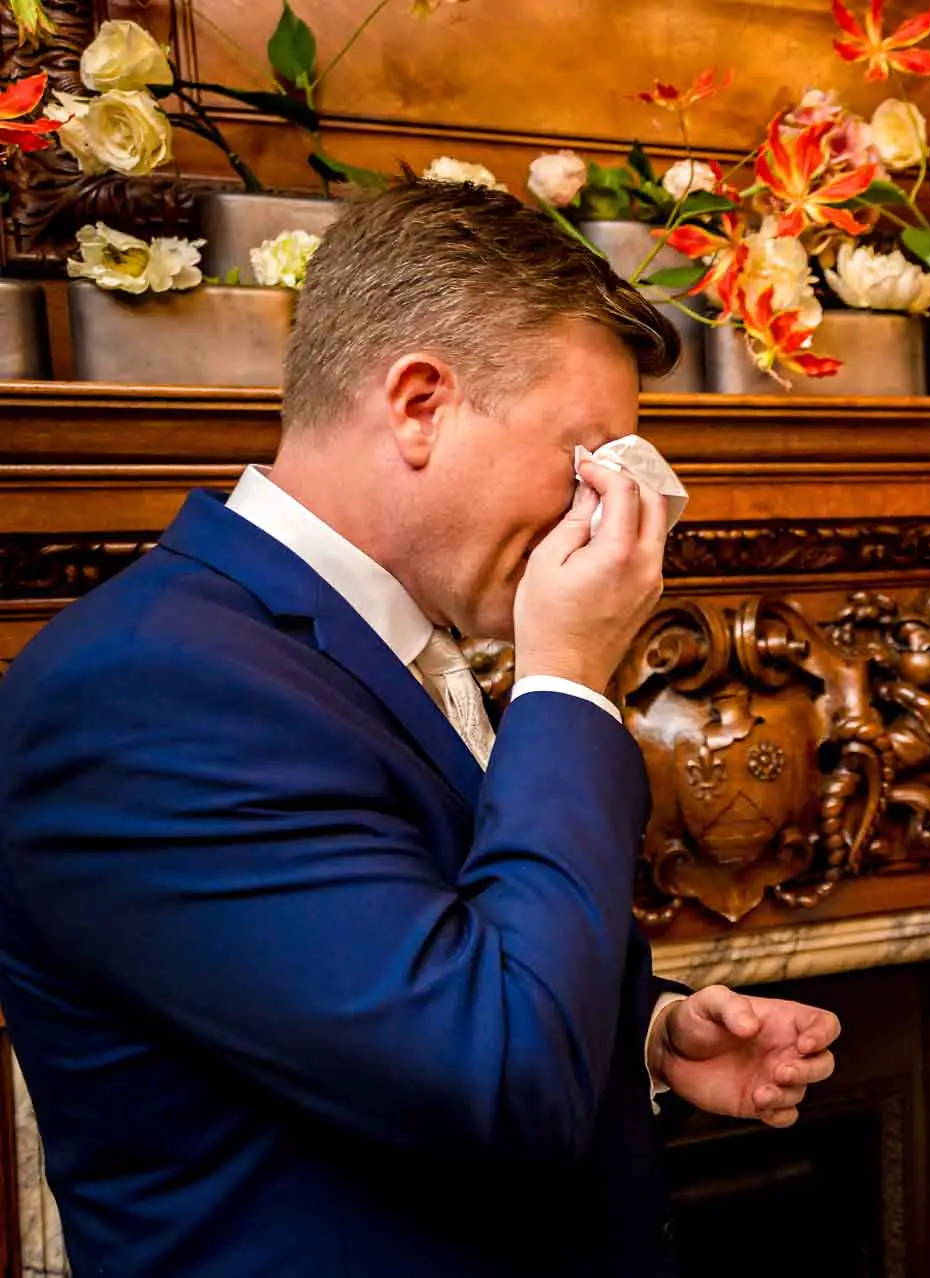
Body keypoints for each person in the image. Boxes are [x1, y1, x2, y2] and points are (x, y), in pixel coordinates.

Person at [0, 180, 839, 1277]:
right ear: (419, 404)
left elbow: (411, 964)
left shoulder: (384, 639)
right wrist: (569, 679)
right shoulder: (142, 690)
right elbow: (494, 1080)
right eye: (587, 459)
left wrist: (641, 1032)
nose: (611, 511)